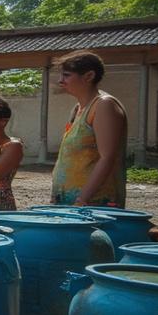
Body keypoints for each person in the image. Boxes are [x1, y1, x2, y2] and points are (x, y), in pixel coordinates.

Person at [51, 49, 128, 206]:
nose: (60, 81)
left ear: (89, 76)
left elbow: (107, 157)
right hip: (69, 202)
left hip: (94, 204)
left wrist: (83, 198)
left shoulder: (104, 105)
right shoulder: (78, 108)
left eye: (66, 75)